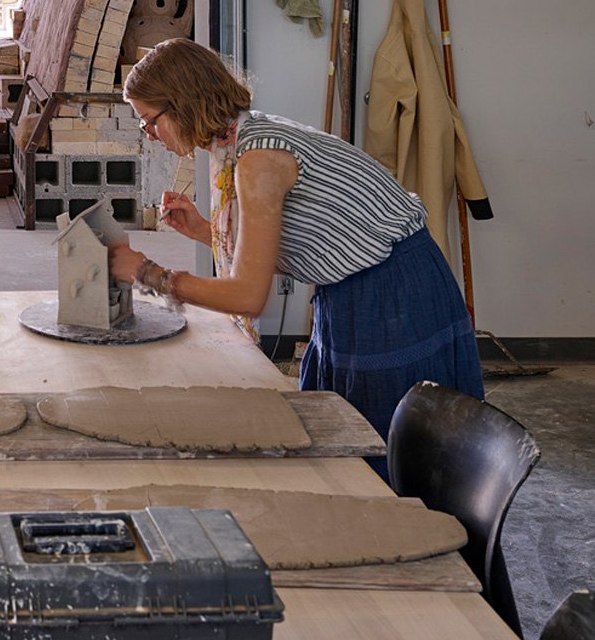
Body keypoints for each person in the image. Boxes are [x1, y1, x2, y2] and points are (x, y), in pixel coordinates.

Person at [107, 37, 483, 461]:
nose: (150, 134)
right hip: (355, 288)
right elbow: (277, 243)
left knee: (385, 440)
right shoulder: (237, 138)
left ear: (181, 104)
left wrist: (149, 273)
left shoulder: (258, 157)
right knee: (341, 426)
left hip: (392, 291)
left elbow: (249, 295)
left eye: (149, 121)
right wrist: (203, 230)